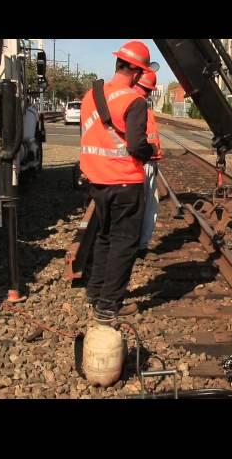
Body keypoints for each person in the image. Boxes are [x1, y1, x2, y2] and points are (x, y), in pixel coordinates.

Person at [79, 41, 155, 320]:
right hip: (125, 181)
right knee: (124, 243)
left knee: (105, 237)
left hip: (97, 180)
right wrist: (150, 152)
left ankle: (95, 291)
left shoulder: (91, 96)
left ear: (118, 64)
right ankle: (109, 305)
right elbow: (136, 146)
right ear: (136, 71)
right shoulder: (134, 101)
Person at [133, 70, 163, 257]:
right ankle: (139, 246)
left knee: (145, 206)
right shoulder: (136, 105)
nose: (148, 93)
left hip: (146, 162)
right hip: (140, 162)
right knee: (146, 206)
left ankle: (138, 245)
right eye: (147, 89)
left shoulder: (141, 105)